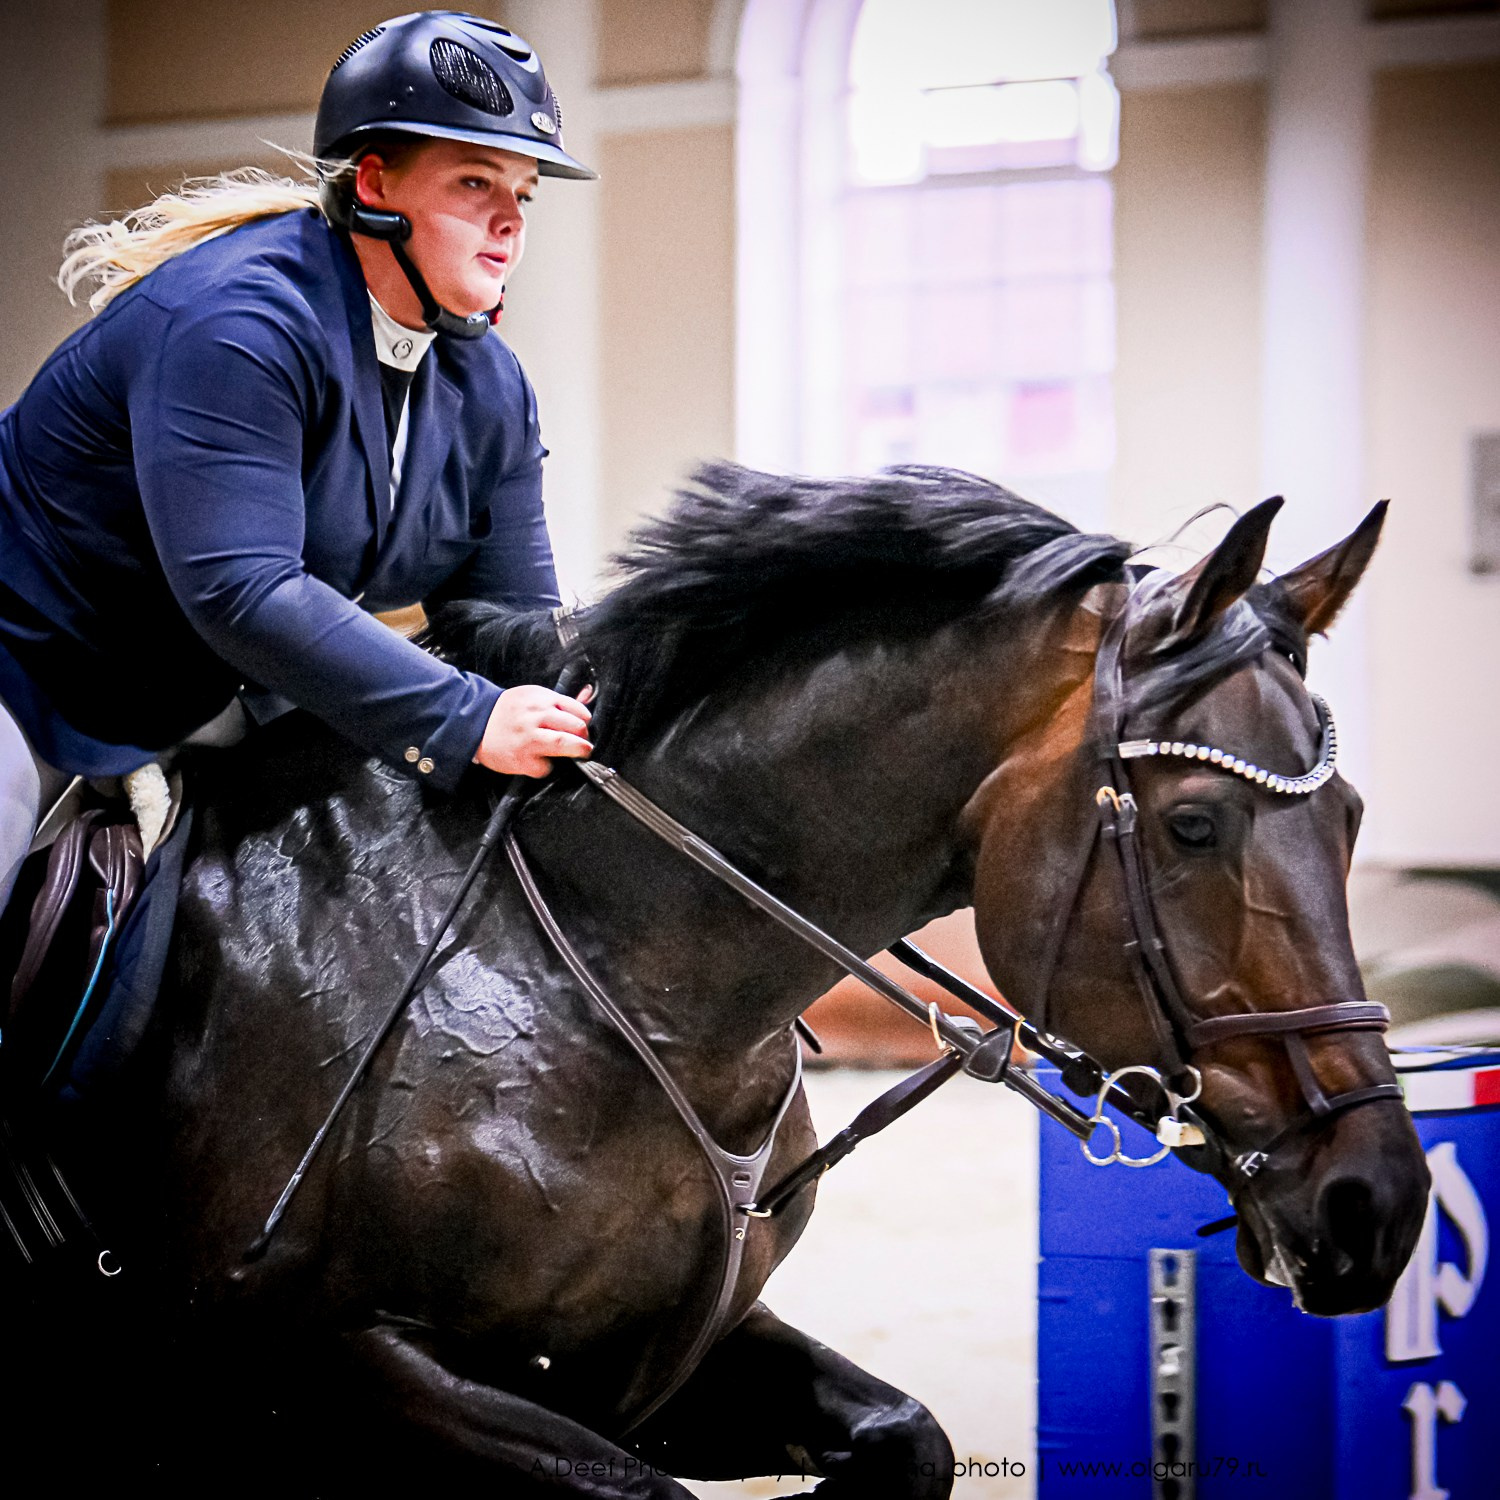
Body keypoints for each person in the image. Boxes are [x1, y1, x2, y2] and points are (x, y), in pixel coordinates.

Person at [0, 12, 598, 917]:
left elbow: (508, 620)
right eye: (476, 181)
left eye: (523, 190)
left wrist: (593, 705)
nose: (510, 219)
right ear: (374, 185)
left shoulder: (490, 385)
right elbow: (245, 590)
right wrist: (467, 719)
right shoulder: (236, 322)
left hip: (197, 701)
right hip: (24, 681)